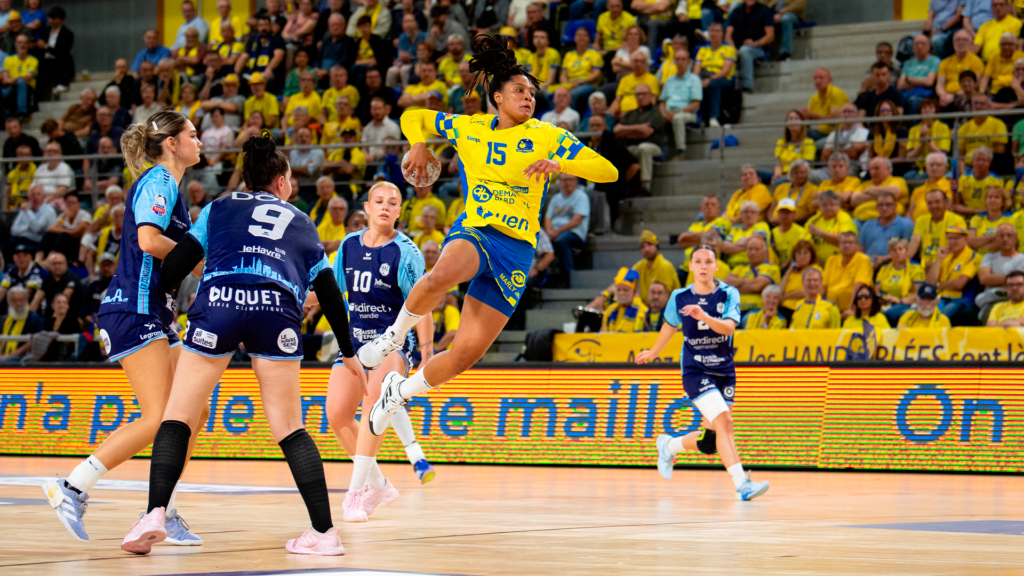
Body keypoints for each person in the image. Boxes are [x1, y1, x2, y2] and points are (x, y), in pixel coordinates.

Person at [357, 33, 617, 437]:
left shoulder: (548, 136)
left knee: (465, 354)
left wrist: (562, 163)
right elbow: (413, 116)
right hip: (478, 230)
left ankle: (399, 392)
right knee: (443, 275)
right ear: (497, 97)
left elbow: (609, 171)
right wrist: (419, 145)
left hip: (517, 251)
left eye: (531, 92)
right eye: (518, 90)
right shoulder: (469, 127)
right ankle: (394, 337)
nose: (528, 97)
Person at [120, 134, 358, 555]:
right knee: (289, 426)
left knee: (178, 415)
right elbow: (330, 292)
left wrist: (166, 300)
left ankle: (155, 513)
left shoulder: (218, 207)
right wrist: (350, 352)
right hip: (276, 309)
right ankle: (324, 534)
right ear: (282, 182)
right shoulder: (301, 220)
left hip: (220, 303)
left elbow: (174, 265)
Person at [41, 110, 204, 545]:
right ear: (172, 143)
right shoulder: (161, 181)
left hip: (155, 312)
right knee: (159, 418)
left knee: (191, 411)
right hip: (134, 309)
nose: (199, 141)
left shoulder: (172, 186)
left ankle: (161, 509)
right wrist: (197, 259)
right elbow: (149, 240)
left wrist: (201, 261)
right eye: (192, 134)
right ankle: (71, 487)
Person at [642, 244, 769, 500]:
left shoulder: (728, 293)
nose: (703, 266)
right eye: (697, 261)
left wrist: (703, 315)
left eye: (708, 261)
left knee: (710, 441)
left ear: (716, 266)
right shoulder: (679, 296)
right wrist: (654, 352)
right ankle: (742, 483)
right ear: (690, 266)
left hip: (723, 370)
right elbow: (670, 326)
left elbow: (728, 329)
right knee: (724, 422)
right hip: (695, 369)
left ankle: (668, 446)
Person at [613, 82, 663, 195]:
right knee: (617, 150)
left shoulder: (656, 112)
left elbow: (646, 133)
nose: (641, 97)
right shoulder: (630, 114)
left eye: (644, 94)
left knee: (644, 148)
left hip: (653, 146)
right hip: (631, 147)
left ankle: (645, 185)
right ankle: (618, 185)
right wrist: (639, 128)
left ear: (650, 95)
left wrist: (626, 131)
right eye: (638, 94)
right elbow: (617, 130)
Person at [544, 172, 590, 284]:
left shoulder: (581, 196)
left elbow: (576, 220)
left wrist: (556, 232)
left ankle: (569, 276)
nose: (567, 182)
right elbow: (547, 217)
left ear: (576, 181)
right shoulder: (556, 198)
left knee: (561, 241)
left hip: (574, 232)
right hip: (555, 232)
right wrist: (549, 232)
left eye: (570, 179)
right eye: (564, 180)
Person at [975, 222, 1024, 318]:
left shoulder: (1022, 258)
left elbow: (1018, 283)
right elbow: (984, 279)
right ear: (996, 239)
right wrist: (1011, 279)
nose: (1005, 239)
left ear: (1015, 238)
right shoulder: (989, 257)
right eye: (1001, 236)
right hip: (990, 298)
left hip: (1015, 297)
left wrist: (993, 277)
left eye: (1009, 235)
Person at [724, 0, 773, 94]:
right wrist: (733, 49)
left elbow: (770, 36)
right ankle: (728, 90)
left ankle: (748, 85)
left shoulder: (765, 11)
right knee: (726, 51)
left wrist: (755, 43)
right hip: (737, 47)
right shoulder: (736, 12)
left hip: (759, 49)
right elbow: (728, 36)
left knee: (745, 50)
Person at [659, 49, 701, 157]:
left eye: (683, 59)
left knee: (678, 118)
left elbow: (696, 104)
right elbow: (662, 101)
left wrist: (678, 112)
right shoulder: (669, 80)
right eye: (677, 59)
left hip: (687, 113)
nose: (680, 62)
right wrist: (663, 113)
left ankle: (680, 151)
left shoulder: (694, 80)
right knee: (654, 117)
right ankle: (658, 153)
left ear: (689, 62)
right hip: (668, 112)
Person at [723, 233, 778, 315]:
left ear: (765, 252)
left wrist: (737, 286)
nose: (752, 252)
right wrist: (751, 283)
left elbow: (756, 286)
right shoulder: (739, 268)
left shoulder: (771, 268)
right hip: (734, 310)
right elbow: (725, 285)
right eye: (750, 249)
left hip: (756, 310)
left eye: (756, 249)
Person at [910, 188, 968, 266]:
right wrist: (904, 260)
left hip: (947, 265)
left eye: (937, 202)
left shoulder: (957, 220)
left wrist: (936, 264)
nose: (933, 206)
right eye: (930, 203)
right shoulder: (921, 220)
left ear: (946, 202)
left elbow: (959, 248)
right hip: (925, 265)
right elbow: (914, 243)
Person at [693, 22, 735, 127]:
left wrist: (709, 79)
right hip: (704, 76)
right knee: (692, 85)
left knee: (714, 84)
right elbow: (696, 69)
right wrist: (698, 80)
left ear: (722, 33)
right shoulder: (702, 50)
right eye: (712, 31)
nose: (714, 33)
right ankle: (695, 118)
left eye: (717, 31)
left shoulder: (728, 49)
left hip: (723, 78)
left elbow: (725, 71)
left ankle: (713, 117)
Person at [876, 237, 925, 326]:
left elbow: (919, 294)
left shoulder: (916, 268)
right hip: (886, 303)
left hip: (907, 303)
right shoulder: (884, 268)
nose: (897, 252)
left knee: (892, 313)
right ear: (890, 253)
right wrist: (882, 299)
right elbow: (876, 292)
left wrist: (899, 300)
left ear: (906, 250)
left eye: (900, 249)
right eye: (893, 250)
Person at [858, 191, 914, 266]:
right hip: (869, 267)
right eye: (880, 205)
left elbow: (908, 251)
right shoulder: (867, 225)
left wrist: (884, 258)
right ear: (876, 207)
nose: (884, 208)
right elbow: (860, 250)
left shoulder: (906, 224)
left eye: (888, 204)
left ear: (895, 206)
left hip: (894, 266)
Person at [559, 26, 603, 114]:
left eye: (584, 35)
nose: (581, 37)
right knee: (552, 93)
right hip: (571, 83)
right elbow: (563, 74)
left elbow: (597, 74)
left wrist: (580, 82)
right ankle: (557, 115)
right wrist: (566, 85)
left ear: (588, 39)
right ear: (574, 38)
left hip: (588, 84)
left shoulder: (594, 53)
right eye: (578, 35)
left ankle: (569, 117)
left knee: (572, 94)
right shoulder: (569, 55)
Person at [850, 157, 908, 223]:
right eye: (871, 169)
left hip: (888, 221)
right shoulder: (864, 184)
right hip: (860, 218)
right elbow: (854, 200)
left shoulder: (898, 180)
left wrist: (869, 190)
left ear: (888, 169)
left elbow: (895, 193)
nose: (873, 172)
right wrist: (882, 195)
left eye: (877, 168)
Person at [937, 30, 984, 109]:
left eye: (964, 40)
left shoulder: (977, 61)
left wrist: (954, 97)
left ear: (970, 43)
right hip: (946, 97)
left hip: (966, 96)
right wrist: (943, 95)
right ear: (953, 43)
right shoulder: (945, 62)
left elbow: (975, 85)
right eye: (957, 40)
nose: (961, 42)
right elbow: (940, 84)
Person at [904, 100, 952, 179]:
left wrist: (928, 141)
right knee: (907, 176)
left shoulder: (944, 128)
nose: (927, 110)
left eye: (931, 107)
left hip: (937, 167)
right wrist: (921, 143)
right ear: (920, 111)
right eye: (924, 107)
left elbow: (943, 155)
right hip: (919, 168)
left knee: (921, 177)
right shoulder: (913, 130)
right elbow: (909, 158)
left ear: (936, 110)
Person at [957, 96, 1007, 168]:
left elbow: (999, 154)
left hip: (988, 166)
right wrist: (962, 172)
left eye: (982, 103)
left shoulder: (998, 124)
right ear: (971, 107)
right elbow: (960, 156)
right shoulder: (964, 127)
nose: (978, 106)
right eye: (975, 103)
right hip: (967, 166)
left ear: (989, 107)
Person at [819, 104, 869, 174]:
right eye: (844, 112)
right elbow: (824, 155)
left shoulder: (864, 132)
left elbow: (854, 154)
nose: (846, 114)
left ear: (857, 115)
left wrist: (834, 151)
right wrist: (848, 150)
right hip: (831, 168)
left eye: (849, 112)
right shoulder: (833, 134)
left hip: (853, 167)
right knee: (812, 176)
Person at [898, 35, 940, 114]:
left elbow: (929, 82)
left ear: (929, 47)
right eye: (916, 44)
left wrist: (910, 80)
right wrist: (920, 82)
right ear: (913, 48)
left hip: (926, 95)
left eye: (922, 43)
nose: (919, 46)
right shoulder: (908, 63)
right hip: (907, 94)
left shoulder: (934, 61)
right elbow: (900, 85)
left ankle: (915, 126)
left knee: (913, 100)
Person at [801, 67, 847, 140]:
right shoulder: (814, 98)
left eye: (821, 78)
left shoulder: (837, 93)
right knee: (801, 136)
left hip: (838, 134)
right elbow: (808, 117)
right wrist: (802, 115)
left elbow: (835, 120)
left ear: (830, 80)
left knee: (817, 144)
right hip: (821, 133)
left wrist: (813, 116)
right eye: (815, 78)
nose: (818, 81)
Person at [779, 239, 819, 320]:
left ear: (811, 255)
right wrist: (789, 270)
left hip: (801, 308)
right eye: (799, 253)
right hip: (784, 308)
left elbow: (806, 292)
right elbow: (778, 291)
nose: (802, 256)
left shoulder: (814, 269)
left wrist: (785, 297)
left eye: (805, 253)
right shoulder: (791, 272)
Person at [956, 146, 1003, 216]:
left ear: (990, 163)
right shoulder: (963, 178)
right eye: (977, 160)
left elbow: (996, 207)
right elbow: (957, 206)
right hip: (965, 218)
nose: (980, 163)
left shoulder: (997, 181)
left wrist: (969, 210)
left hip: (987, 218)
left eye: (984, 160)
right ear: (972, 162)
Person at [600, 267, 648, 332]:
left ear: (634, 292)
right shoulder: (610, 310)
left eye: (625, 290)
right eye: (618, 289)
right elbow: (602, 335)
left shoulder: (643, 311)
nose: (621, 293)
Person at [968, 185, 1014, 253]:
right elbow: (971, 241)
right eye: (990, 197)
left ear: (1003, 201)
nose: (992, 200)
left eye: (996, 197)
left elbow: (1006, 243)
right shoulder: (976, 218)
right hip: (979, 259)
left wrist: (980, 245)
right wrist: (995, 236)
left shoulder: (1011, 218)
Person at [774, 111, 816, 184]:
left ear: (802, 123)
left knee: (779, 182)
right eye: (790, 119)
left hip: (798, 175)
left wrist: (786, 176)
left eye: (796, 118)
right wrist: (777, 175)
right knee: (759, 172)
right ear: (787, 124)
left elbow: (804, 165)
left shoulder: (809, 142)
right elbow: (778, 163)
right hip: (782, 173)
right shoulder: (781, 142)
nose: (793, 121)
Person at [2, 32, 37, 119]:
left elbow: (28, 77)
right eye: (20, 43)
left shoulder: (33, 60)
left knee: (21, 82)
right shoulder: (8, 59)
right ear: (15, 44)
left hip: (26, 90)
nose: (23, 45)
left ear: (28, 45)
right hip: (9, 89)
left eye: (25, 43)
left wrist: (13, 79)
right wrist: (16, 79)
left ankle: (22, 112)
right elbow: (5, 79)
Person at [769, 160, 816, 224]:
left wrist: (788, 221)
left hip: (798, 224)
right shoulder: (781, 187)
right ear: (791, 174)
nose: (799, 175)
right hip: (775, 224)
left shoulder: (813, 190)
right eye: (796, 173)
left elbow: (812, 213)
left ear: (807, 173)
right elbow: (772, 207)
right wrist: (771, 220)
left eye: (802, 172)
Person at [770, 198, 810, 266]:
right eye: (782, 212)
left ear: (794, 214)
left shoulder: (803, 232)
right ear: (777, 214)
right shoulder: (772, 233)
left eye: (788, 212)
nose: (785, 215)